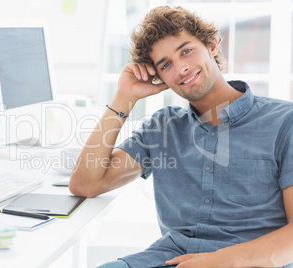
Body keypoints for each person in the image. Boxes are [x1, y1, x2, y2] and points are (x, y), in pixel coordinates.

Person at [69, 5, 293, 268]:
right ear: (159, 76)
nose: (181, 68)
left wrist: (220, 261)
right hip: (168, 260)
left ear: (212, 45)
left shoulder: (284, 122)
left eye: (186, 51)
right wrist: (124, 97)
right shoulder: (163, 127)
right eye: (166, 65)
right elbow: (86, 184)